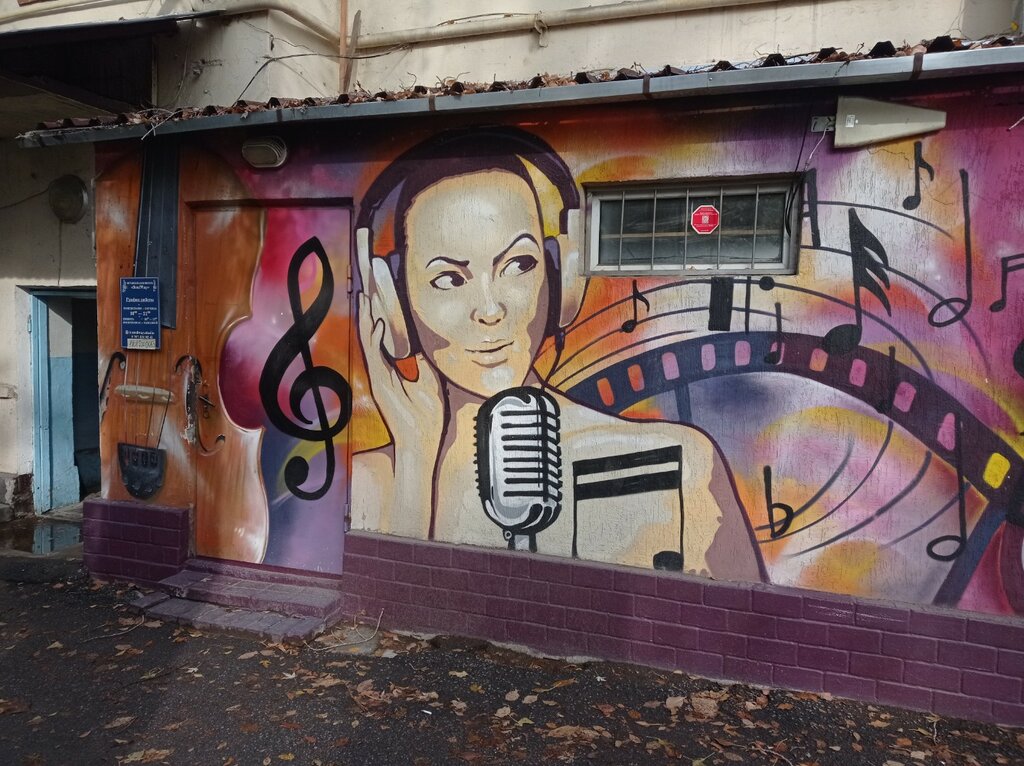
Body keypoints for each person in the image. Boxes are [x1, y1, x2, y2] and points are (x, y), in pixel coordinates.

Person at [351, 127, 764, 582]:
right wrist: (413, 459)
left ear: (560, 278)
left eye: (518, 265)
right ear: (393, 302)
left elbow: (747, 614)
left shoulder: (681, 462)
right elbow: (394, 604)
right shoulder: (373, 481)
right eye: (449, 279)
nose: (490, 311)